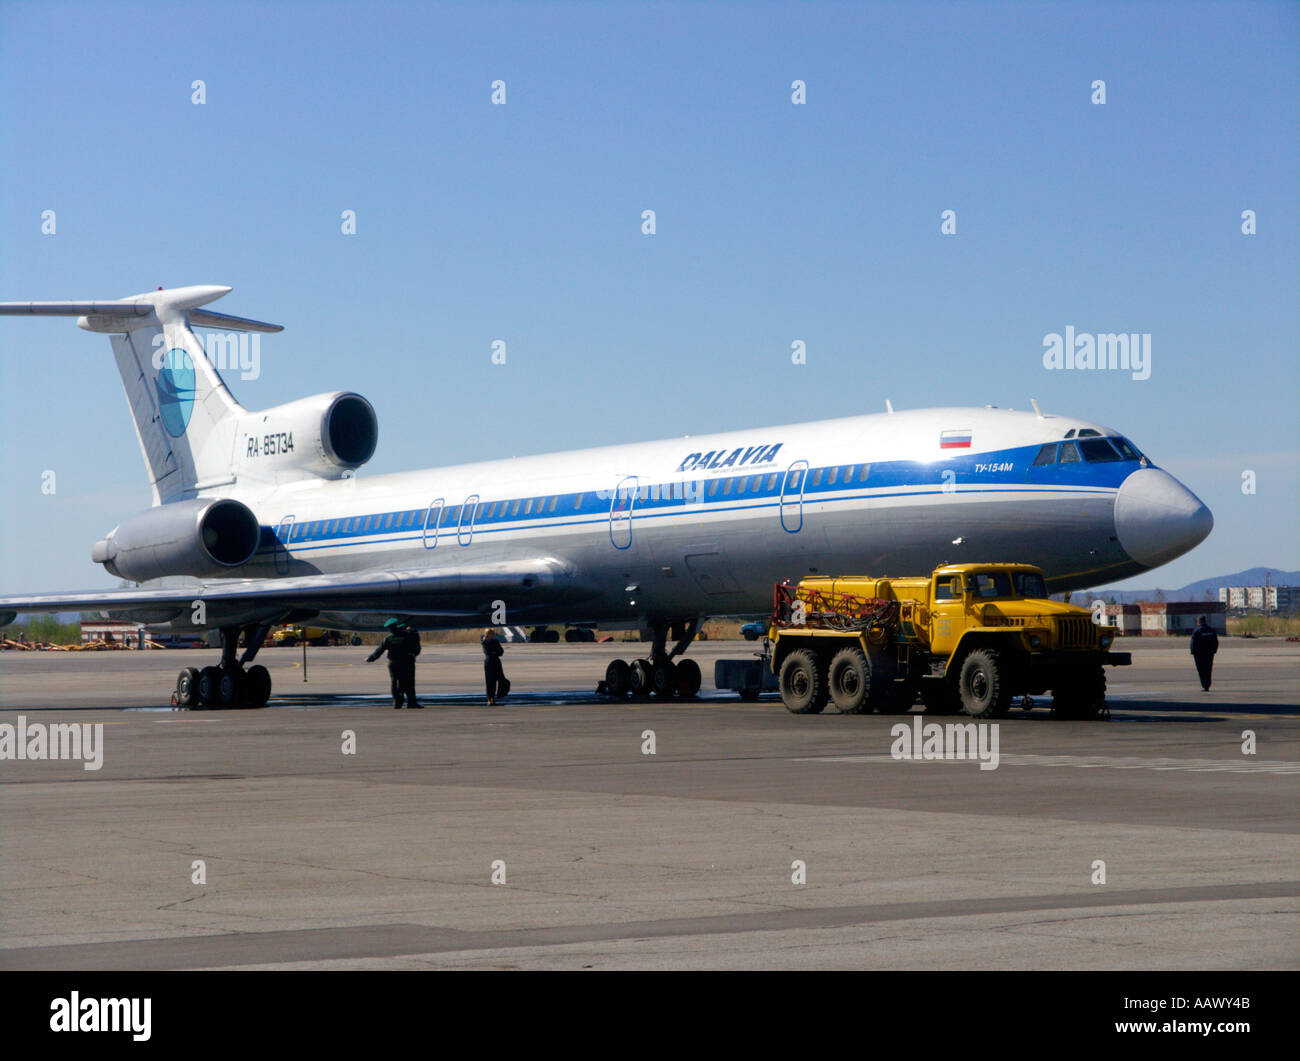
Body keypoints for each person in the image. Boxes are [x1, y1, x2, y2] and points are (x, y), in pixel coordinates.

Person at [366, 617, 423, 709]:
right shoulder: (408, 636)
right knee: (409, 682)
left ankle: (397, 702)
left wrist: (371, 658)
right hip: (407, 662)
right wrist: (414, 632)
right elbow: (416, 645)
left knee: (395, 682)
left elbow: (379, 650)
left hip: (393, 664)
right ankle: (411, 702)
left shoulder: (388, 639)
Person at [1190, 615, 1219, 691]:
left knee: (1201, 670)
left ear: (1199, 622)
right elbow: (1215, 641)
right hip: (1209, 653)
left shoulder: (1197, 631)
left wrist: (1193, 651)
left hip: (1199, 654)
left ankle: (1205, 685)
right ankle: (1208, 684)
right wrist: (1214, 650)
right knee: (1208, 669)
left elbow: (1193, 642)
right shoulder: (1211, 630)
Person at [482, 628, 508, 705]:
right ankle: (490, 699)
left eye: (493, 634)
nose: (493, 635)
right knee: (490, 682)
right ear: (488, 634)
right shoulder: (485, 642)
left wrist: (495, 652)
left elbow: (501, 652)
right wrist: (496, 652)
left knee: (502, 679)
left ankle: (499, 694)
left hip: (496, 662)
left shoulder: (496, 641)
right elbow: (488, 652)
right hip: (489, 663)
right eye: (492, 634)